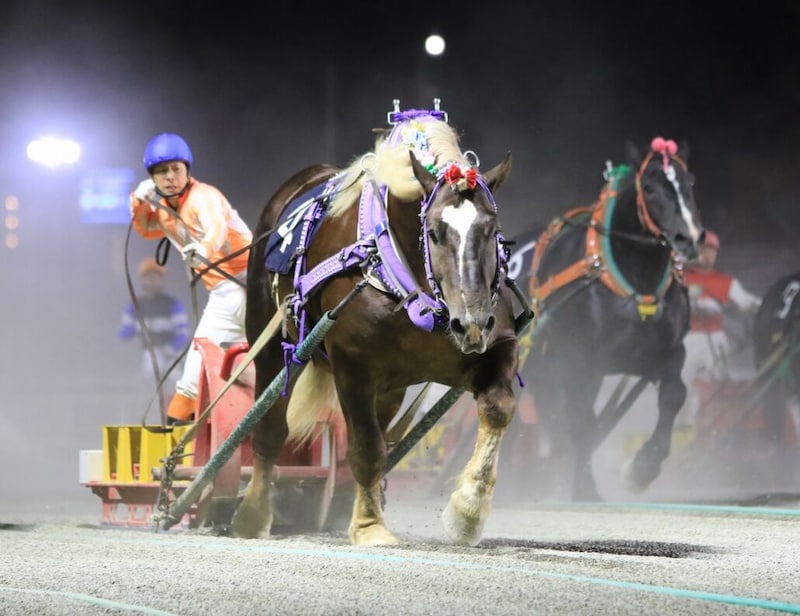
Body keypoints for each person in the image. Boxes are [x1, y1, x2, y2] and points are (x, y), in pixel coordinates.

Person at [130, 133, 253, 424]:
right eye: (162, 171)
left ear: (187, 170)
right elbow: (146, 229)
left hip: (250, 285)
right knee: (191, 376)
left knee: (271, 360)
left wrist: (204, 248)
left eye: (176, 169)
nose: (170, 176)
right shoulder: (164, 211)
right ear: (153, 177)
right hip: (223, 294)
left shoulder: (204, 196)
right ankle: (178, 450)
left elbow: (216, 228)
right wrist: (138, 202)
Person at [678, 230, 762, 426]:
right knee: (680, 384)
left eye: (711, 250)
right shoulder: (681, 278)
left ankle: (718, 424)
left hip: (714, 340)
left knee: (719, 383)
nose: (707, 255)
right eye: (702, 250)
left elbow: (748, 302)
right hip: (687, 339)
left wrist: (767, 307)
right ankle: (682, 426)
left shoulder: (726, 282)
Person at [119, 257, 190, 389]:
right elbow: (123, 333)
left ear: (163, 280)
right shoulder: (135, 305)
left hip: (171, 355)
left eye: (156, 277)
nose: (152, 281)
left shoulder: (172, 304)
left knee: (177, 382)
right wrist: (139, 327)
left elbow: (184, 333)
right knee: (149, 382)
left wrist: (169, 350)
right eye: (148, 276)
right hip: (147, 355)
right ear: (142, 279)